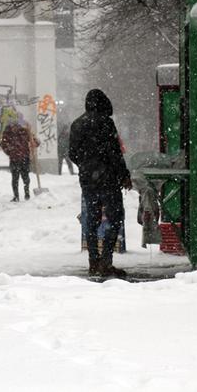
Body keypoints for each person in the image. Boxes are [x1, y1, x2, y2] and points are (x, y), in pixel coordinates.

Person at [69, 89, 131, 279]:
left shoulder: (77, 124)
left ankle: (93, 262)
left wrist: (87, 166)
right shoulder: (106, 123)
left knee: (92, 219)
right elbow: (114, 152)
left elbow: (72, 153)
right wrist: (123, 174)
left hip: (88, 180)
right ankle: (106, 261)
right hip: (108, 179)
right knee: (116, 217)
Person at [0, 118, 39, 202]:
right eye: (13, 126)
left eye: (16, 126)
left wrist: (34, 141)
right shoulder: (7, 133)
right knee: (15, 178)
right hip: (14, 159)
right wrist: (10, 152)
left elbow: (36, 143)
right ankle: (16, 196)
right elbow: (3, 145)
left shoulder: (25, 132)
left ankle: (27, 193)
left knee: (25, 177)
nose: (15, 128)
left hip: (24, 158)